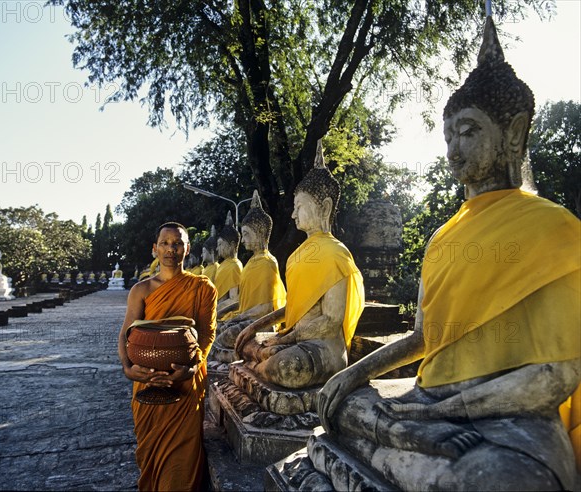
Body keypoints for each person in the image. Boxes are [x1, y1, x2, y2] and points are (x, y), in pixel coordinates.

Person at [316, 16, 580, 491]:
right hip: (426, 405)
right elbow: (424, 337)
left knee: (506, 480)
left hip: (507, 417)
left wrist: (438, 412)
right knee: (338, 401)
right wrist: (354, 373)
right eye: (448, 136)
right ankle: (400, 435)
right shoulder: (443, 237)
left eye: (468, 132)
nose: (453, 151)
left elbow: (554, 377)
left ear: (514, 132)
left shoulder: (555, 229)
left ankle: (398, 439)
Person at [235, 141, 365, 389]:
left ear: (324, 207)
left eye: (299, 208)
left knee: (287, 367)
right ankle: (260, 363)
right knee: (245, 343)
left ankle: (259, 366)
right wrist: (255, 326)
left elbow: (331, 320)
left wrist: (286, 339)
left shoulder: (337, 254)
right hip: (293, 341)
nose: (293, 215)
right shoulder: (296, 256)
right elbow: (293, 306)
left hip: (323, 347)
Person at [118, 222, 217, 491]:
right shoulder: (142, 290)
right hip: (146, 383)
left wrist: (192, 368)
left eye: (177, 243)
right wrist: (128, 369)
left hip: (184, 384)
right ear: (155, 249)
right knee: (150, 456)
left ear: (187, 249)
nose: (170, 249)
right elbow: (126, 334)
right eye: (165, 243)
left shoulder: (202, 287)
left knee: (180, 468)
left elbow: (207, 336)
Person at [211, 191, 286, 363]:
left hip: (262, 322)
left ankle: (234, 358)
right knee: (220, 329)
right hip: (247, 318)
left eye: (246, 234)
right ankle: (229, 356)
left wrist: (238, 317)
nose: (243, 241)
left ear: (259, 233)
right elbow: (242, 299)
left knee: (226, 334)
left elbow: (266, 308)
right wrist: (223, 312)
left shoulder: (267, 262)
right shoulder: (251, 263)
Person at [214, 212, 243, 316]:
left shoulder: (234, 265)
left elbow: (234, 299)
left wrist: (214, 310)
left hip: (227, 315)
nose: (218, 249)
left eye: (220, 244)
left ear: (232, 245)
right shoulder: (223, 265)